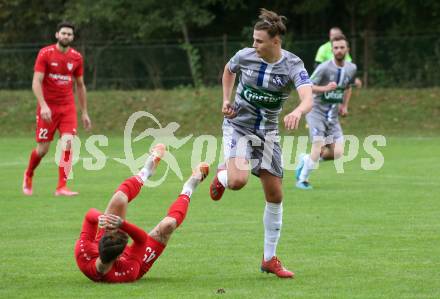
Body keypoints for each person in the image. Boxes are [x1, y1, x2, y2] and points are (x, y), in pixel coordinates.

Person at [208, 9, 313, 278]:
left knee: (275, 195)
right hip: (238, 126)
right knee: (238, 182)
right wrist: (225, 99)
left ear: (275, 42)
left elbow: (308, 97)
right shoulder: (245, 56)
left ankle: (269, 259)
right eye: (253, 40)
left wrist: (298, 111)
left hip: (267, 133)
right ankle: (222, 177)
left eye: (259, 41)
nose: (253, 45)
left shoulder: (293, 65)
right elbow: (228, 71)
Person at [75, 143, 210, 283]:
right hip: (136, 259)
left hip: (111, 249)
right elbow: (141, 240)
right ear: (119, 256)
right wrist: (123, 224)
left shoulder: (84, 252)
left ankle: (146, 172)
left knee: (120, 198)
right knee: (168, 226)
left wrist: (101, 217)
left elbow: (89, 215)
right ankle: (189, 187)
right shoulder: (128, 271)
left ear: (99, 242)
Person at [22, 21, 91, 196]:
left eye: (69, 34)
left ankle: (61, 187)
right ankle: (29, 174)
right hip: (48, 108)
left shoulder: (76, 58)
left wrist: (84, 112)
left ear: (73, 37)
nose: (66, 36)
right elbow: (36, 82)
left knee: (68, 143)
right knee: (43, 149)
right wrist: (43, 105)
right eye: (63, 33)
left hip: (67, 107)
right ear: (57, 35)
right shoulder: (45, 54)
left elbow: (80, 85)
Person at [295, 34, 357, 190]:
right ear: (332, 50)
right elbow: (307, 85)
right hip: (316, 112)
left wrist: (345, 106)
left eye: (342, 47)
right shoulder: (324, 67)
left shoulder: (351, 68)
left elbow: (348, 87)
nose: (339, 50)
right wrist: (325, 88)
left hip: (333, 116)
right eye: (336, 48)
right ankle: (302, 180)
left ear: (347, 49)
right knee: (318, 146)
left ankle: (307, 160)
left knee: (338, 152)